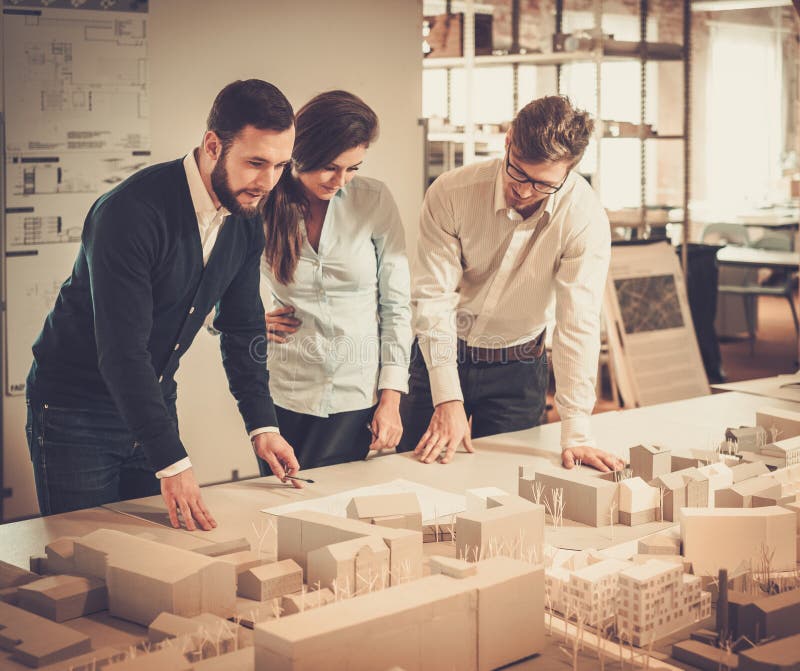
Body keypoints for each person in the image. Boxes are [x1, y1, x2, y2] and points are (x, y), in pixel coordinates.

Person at [25, 79, 302, 531]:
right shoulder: (129, 212)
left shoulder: (245, 216)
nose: (268, 182)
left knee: (152, 554)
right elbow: (122, 351)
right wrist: (172, 461)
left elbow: (243, 326)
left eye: (280, 165)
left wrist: (262, 425)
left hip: (152, 398)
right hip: (77, 412)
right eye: (256, 163)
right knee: (81, 554)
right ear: (212, 146)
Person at [398, 95, 624, 473]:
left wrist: (577, 431)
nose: (524, 190)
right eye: (517, 171)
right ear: (508, 142)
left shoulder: (584, 217)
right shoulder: (451, 193)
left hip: (518, 368)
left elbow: (577, 322)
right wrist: (447, 397)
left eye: (543, 184)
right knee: (416, 474)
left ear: (570, 171)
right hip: (440, 354)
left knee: (504, 483)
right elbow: (433, 298)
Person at [260, 90, 411, 470]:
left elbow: (396, 307)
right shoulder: (262, 203)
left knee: (339, 501)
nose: (341, 181)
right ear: (301, 152)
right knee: (282, 498)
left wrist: (391, 398)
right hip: (286, 391)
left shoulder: (374, 200)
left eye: (353, 168)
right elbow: (213, 285)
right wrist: (245, 322)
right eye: (330, 167)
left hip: (355, 393)